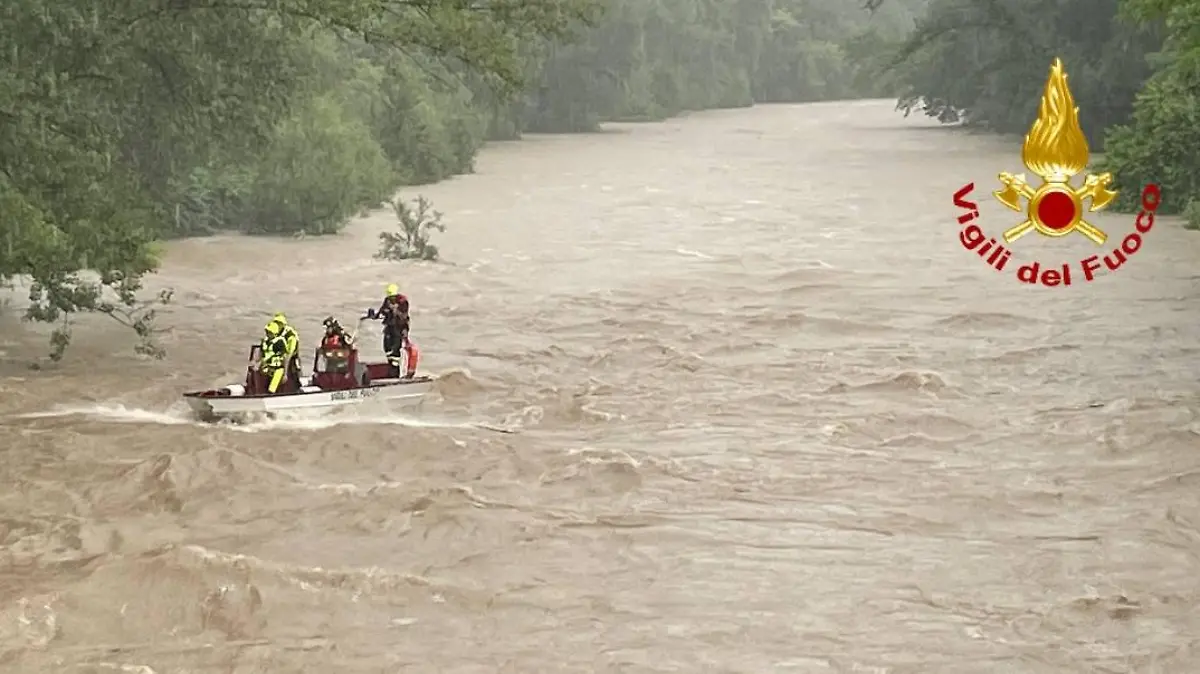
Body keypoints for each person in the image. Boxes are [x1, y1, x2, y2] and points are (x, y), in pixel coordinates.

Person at [367, 283, 419, 378]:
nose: (390, 299)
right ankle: (390, 368)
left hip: (399, 329)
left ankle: (395, 373)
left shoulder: (403, 302)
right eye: (389, 297)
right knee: (387, 348)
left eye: (392, 297)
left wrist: (395, 310)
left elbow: (404, 316)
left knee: (395, 351)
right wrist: (373, 315)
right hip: (389, 327)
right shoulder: (387, 301)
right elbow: (381, 312)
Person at [259, 320, 290, 393]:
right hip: (268, 368)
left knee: (271, 389)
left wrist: (285, 374)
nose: (267, 334)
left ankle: (272, 395)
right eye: (266, 332)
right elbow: (262, 355)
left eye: (269, 332)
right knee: (260, 382)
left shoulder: (279, 342)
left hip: (278, 369)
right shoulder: (265, 341)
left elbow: (285, 358)